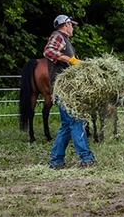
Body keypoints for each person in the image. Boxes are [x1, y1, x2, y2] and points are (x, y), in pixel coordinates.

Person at [44, 14, 96, 169]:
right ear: (65, 25)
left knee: (67, 125)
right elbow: (48, 51)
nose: (73, 28)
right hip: (65, 90)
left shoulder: (65, 40)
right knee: (76, 121)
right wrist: (70, 60)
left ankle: (56, 161)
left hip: (64, 89)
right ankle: (86, 158)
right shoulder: (58, 36)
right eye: (71, 25)